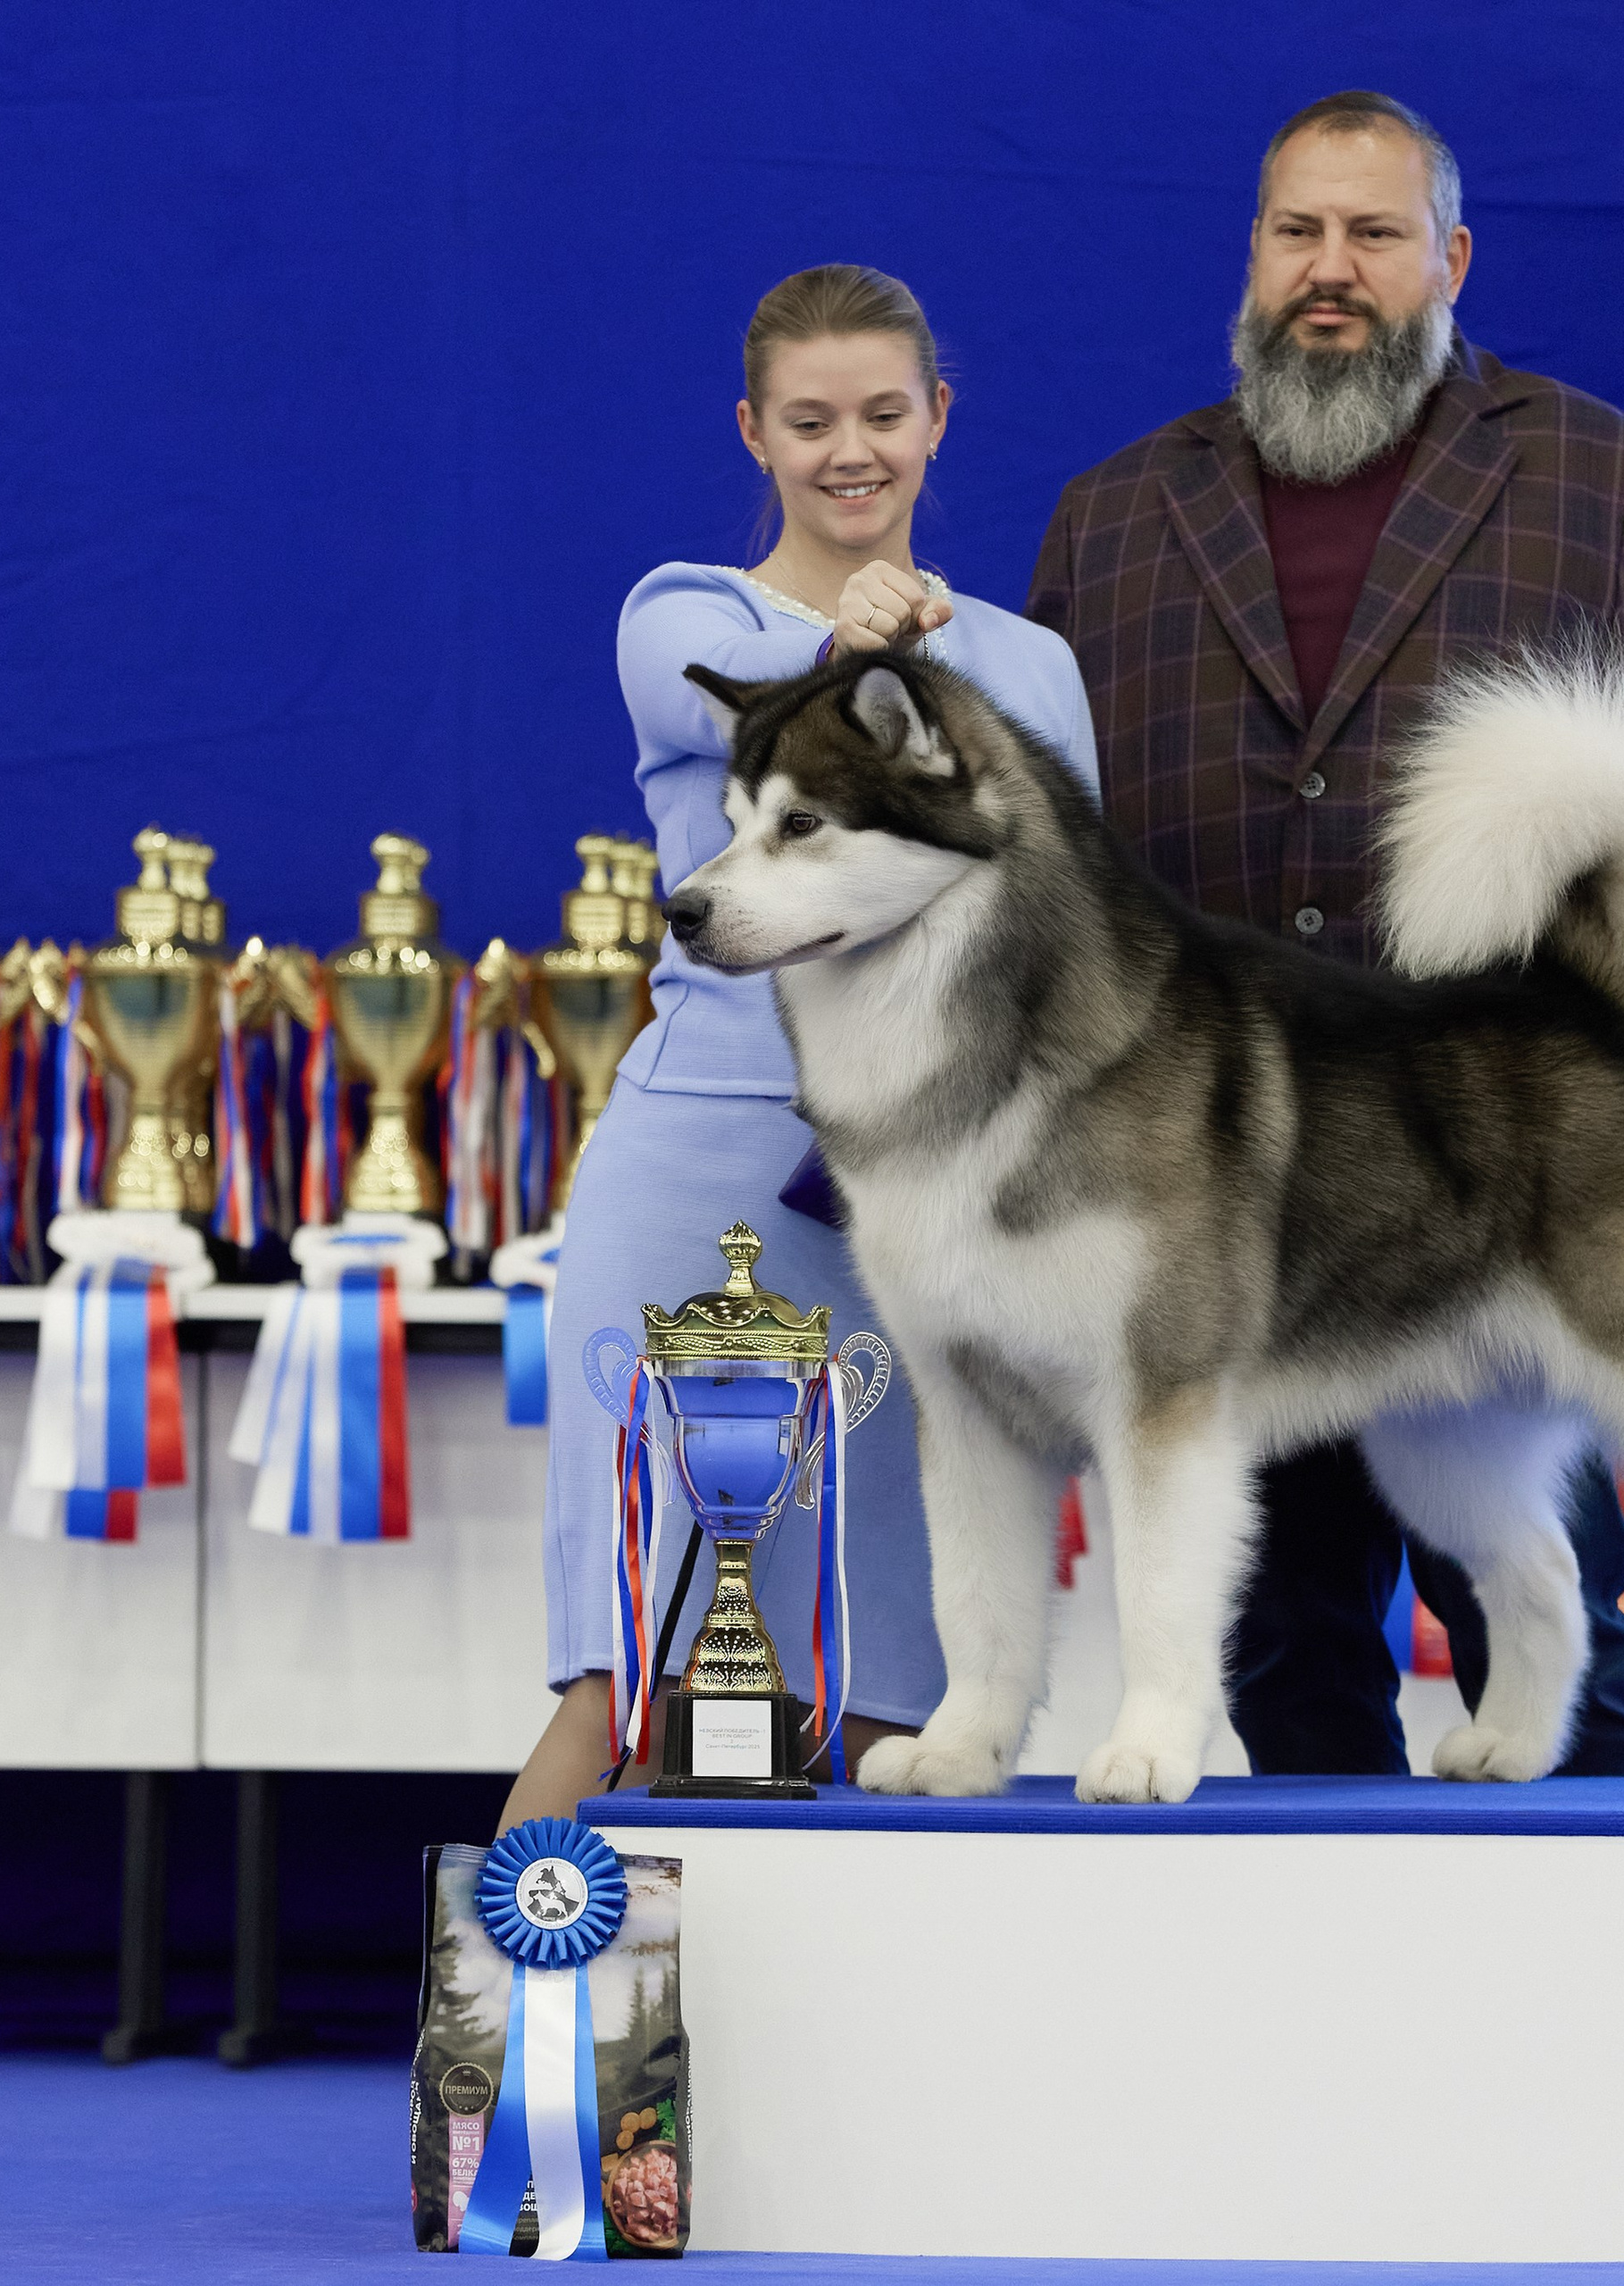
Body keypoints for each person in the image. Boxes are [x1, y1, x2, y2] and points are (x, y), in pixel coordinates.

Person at [1029, 92, 1624, 1780]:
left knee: (1555, 1637)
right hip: (1216, 1217)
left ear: (1453, 259)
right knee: (1282, 1656)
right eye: (1298, 232)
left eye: (1374, 234)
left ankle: (1592, 2022)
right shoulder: (1111, 519)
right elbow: (1052, 899)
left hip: (1499, 1202)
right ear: (1254, 256)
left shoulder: (1596, 477)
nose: (1331, 272)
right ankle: (1326, 2030)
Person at [502, 264, 1098, 1827]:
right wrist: (856, 649)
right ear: (754, 433)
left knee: (896, 1684)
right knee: (639, 1675)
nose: (854, 451)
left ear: (938, 421)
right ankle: (501, 2070)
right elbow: (784, 721)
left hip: (925, 1216)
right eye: (813, 420)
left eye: (885, 415)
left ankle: (824, 2078)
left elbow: (1076, 941)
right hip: (703, 1186)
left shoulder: (1033, 668)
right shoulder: (681, 617)